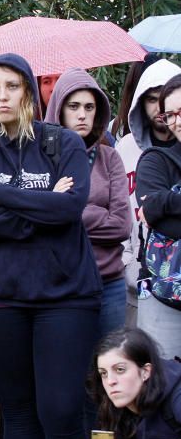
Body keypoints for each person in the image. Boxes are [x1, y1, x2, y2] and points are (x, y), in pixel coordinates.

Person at [0, 53, 102, 439]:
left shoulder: (62, 143)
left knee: (61, 408)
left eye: (12, 86)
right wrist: (41, 207)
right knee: (17, 409)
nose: (2, 96)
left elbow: (69, 210)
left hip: (65, 295)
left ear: (29, 93)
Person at [44, 69, 133, 336]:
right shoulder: (42, 159)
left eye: (89, 107)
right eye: (73, 106)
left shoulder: (109, 158)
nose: (82, 114)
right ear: (59, 110)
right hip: (59, 283)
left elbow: (121, 225)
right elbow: (39, 221)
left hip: (109, 282)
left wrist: (69, 209)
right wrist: (96, 211)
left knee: (109, 367)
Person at [116, 59, 181, 328]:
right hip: (149, 274)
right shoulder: (138, 152)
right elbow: (150, 211)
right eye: (152, 99)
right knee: (153, 360)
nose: (159, 108)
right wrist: (128, 259)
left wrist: (166, 204)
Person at [80, 327, 181, 439]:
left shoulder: (176, 392)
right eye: (103, 373)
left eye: (120, 369)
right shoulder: (112, 408)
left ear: (146, 371)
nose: (110, 381)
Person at [135, 73, 181, 360]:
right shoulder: (156, 160)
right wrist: (161, 206)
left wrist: (168, 200)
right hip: (165, 296)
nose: (176, 121)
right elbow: (158, 217)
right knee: (161, 389)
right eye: (170, 114)